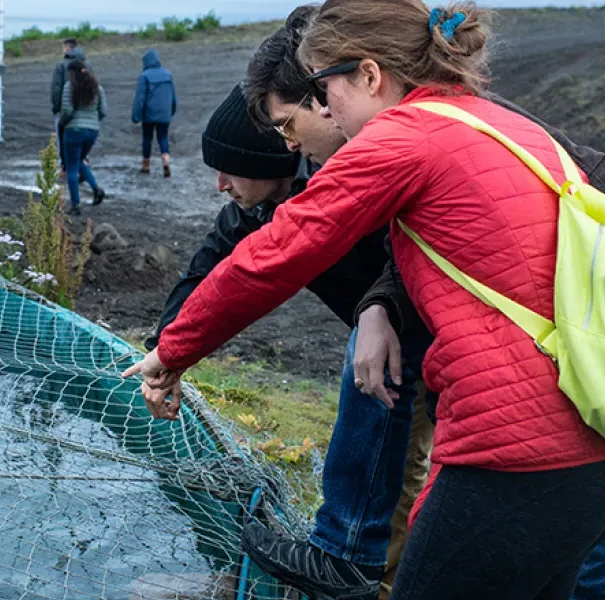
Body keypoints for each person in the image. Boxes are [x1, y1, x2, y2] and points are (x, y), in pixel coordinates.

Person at [126, 0, 605, 597]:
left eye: (327, 90)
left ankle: (347, 555)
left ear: (370, 75)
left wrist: (171, 353)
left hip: (518, 453)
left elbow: (271, 257)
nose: (325, 109)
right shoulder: (493, 123)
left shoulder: (401, 138)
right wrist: (380, 305)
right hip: (600, 436)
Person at [147, 80, 426, 600]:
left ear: (272, 158)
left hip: (418, 334)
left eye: (229, 169)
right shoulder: (250, 209)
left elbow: (409, 255)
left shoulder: (336, 184)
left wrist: (381, 308)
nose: (220, 184)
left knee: (399, 468)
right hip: (379, 335)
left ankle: (377, 585)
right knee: (381, 455)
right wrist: (164, 348)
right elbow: (206, 271)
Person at [59, 60, 107, 215]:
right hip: (92, 131)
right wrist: (93, 122)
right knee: (80, 160)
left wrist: (62, 124)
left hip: (73, 130)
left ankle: (75, 205)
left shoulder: (69, 87)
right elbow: (103, 111)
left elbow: (67, 111)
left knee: (72, 166)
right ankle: (96, 189)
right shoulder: (96, 87)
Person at [132, 49, 177, 177]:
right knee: (163, 137)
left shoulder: (144, 76)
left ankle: (146, 164)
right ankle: (166, 159)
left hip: (149, 114)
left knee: (147, 138)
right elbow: (173, 96)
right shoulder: (168, 75)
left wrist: (136, 116)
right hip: (165, 113)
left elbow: (140, 98)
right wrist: (171, 110)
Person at [52, 38, 89, 169]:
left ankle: (65, 167)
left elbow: (57, 88)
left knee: (63, 136)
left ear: (67, 48)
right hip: (85, 107)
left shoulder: (62, 65)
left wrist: (56, 107)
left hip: (66, 107)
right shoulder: (87, 64)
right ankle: (83, 162)